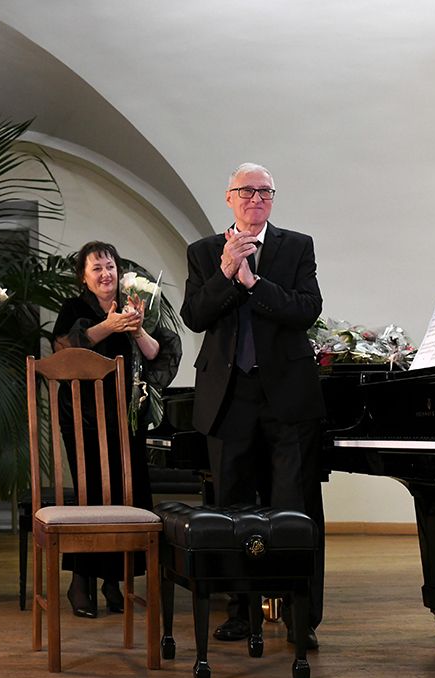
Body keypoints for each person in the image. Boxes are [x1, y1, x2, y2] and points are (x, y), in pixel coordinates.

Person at [180, 162, 325, 648]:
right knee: (231, 512)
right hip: (229, 398)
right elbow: (195, 316)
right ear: (229, 198)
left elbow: (307, 309)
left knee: (296, 510)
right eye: (247, 191)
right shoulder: (204, 252)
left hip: (288, 398)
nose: (256, 198)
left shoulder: (297, 246)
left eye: (265, 191)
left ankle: (301, 619)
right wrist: (226, 273)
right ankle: (242, 612)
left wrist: (253, 283)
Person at [52, 241, 181, 617]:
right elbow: (63, 352)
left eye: (110, 266)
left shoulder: (136, 303)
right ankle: (81, 582)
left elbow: (159, 353)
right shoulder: (74, 308)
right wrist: (106, 327)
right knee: (92, 496)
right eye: (96, 268)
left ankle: (114, 580)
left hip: (127, 416)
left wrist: (137, 329)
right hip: (83, 417)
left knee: (127, 496)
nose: (105, 274)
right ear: (84, 277)